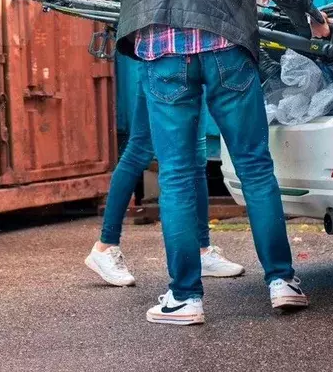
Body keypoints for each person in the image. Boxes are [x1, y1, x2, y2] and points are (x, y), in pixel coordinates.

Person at [52, 0, 331, 326]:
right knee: (254, 167)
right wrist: (313, 22)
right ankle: (281, 281)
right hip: (229, 48)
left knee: (178, 174)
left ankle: (186, 298)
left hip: (163, 53)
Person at [85, 57, 244, 287]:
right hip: (160, 61)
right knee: (139, 150)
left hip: (189, 62)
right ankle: (105, 245)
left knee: (196, 157)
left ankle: (201, 250)